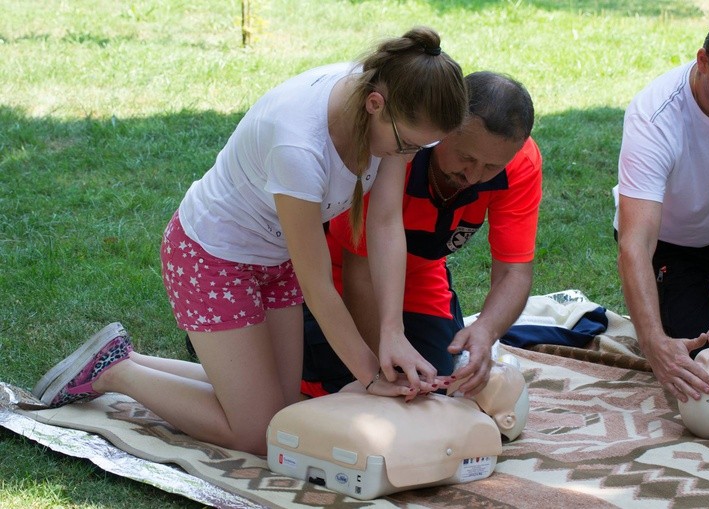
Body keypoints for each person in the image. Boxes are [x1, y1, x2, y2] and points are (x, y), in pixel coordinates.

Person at [31, 26, 469, 455]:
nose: (409, 156)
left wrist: (392, 332)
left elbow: (386, 221)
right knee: (256, 435)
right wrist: (371, 373)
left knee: (280, 412)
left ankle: (123, 357)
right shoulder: (299, 147)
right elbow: (318, 285)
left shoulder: (388, 95)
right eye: (409, 145)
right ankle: (119, 373)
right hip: (212, 257)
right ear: (377, 105)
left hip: (273, 258)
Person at [301, 71, 541, 398]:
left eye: (491, 167)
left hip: (420, 275)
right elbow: (359, 272)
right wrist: (384, 367)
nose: (474, 175)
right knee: (347, 384)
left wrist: (486, 330)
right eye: (466, 157)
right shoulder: (395, 146)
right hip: (330, 272)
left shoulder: (520, 162)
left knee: (437, 384)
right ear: (442, 130)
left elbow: (514, 271)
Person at [614, 4, 709, 403]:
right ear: (703, 61)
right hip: (669, 244)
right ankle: (702, 299)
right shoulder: (655, 115)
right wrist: (652, 342)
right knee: (698, 370)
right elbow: (636, 244)